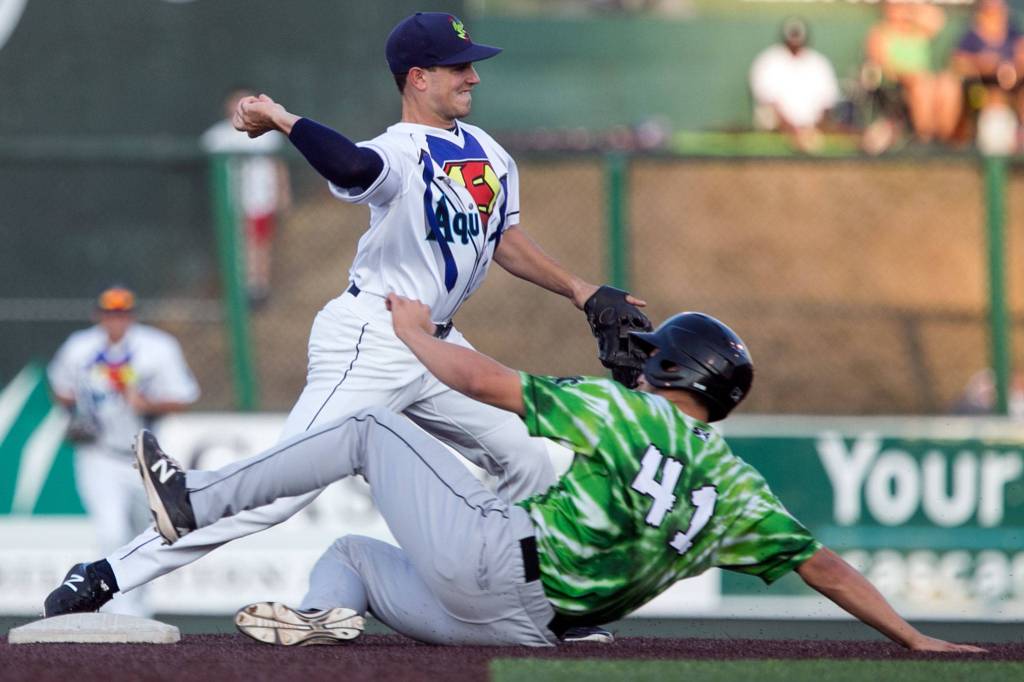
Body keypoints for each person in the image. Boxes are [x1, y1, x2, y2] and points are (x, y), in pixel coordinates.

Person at [42, 12, 646, 644]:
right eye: (458, 66)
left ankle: (546, 611)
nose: (473, 76)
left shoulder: (489, 152)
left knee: (525, 456)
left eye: (471, 64)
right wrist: (282, 118)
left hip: (439, 346)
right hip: (375, 337)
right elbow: (356, 170)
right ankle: (105, 575)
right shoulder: (400, 150)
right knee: (281, 490)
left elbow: (507, 240)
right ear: (417, 78)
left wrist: (582, 290)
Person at [108, 298, 980, 651]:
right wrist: (912, 639)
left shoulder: (625, 410)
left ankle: (193, 503)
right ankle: (324, 615)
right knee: (353, 553)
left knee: (372, 425)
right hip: (533, 632)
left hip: (493, 564)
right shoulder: (743, 496)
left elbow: (483, 382)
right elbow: (823, 565)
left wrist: (413, 332)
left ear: (678, 377)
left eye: (654, 359)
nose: (641, 366)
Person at [46, 285, 200, 617]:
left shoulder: (157, 348)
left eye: (122, 313)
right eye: (110, 313)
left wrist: (146, 403)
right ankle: (121, 613)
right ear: (98, 315)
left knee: (148, 534)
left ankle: (140, 610)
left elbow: (184, 395)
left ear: (132, 316)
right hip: (98, 453)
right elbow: (60, 387)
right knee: (110, 530)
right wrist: (79, 412)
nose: (116, 320)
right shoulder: (80, 347)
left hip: (143, 454)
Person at [201, 87, 292, 307]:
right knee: (236, 244)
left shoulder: (267, 136)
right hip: (231, 201)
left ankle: (257, 289)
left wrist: (283, 194)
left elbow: (278, 166)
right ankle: (237, 288)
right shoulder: (218, 136)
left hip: (260, 199)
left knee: (258, 244)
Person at [862, 0, 961, 148]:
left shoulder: (918, 30)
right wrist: (909, 77)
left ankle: (945, 138)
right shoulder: (880, 33)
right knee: (922, 87)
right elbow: (880, 66)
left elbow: (938, 19)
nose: (898, 9)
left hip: (926, 80)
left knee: (948, 84)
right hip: (898, 85)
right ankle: (925, 138)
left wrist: (913, 11)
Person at [749, 17, 841, 153]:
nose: (795, 39)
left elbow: (827, 104)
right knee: (766, 115)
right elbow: (768, 103)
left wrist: (811, 130)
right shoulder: (768, 60)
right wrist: (793, 131)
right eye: (792, 34)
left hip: (812, 128)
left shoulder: (818, 62)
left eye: (797, 34)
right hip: (778, 127)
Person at [951, 0, 1024, 151]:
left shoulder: (1014, 34)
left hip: (1012, 88)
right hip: (981, 89)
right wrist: (982, 64)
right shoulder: (971, 37)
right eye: (990, 10)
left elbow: (1021, 58)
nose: (995, 15)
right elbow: (958, 63)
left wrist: (1012, 70)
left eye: (998, 10)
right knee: (992, 100)